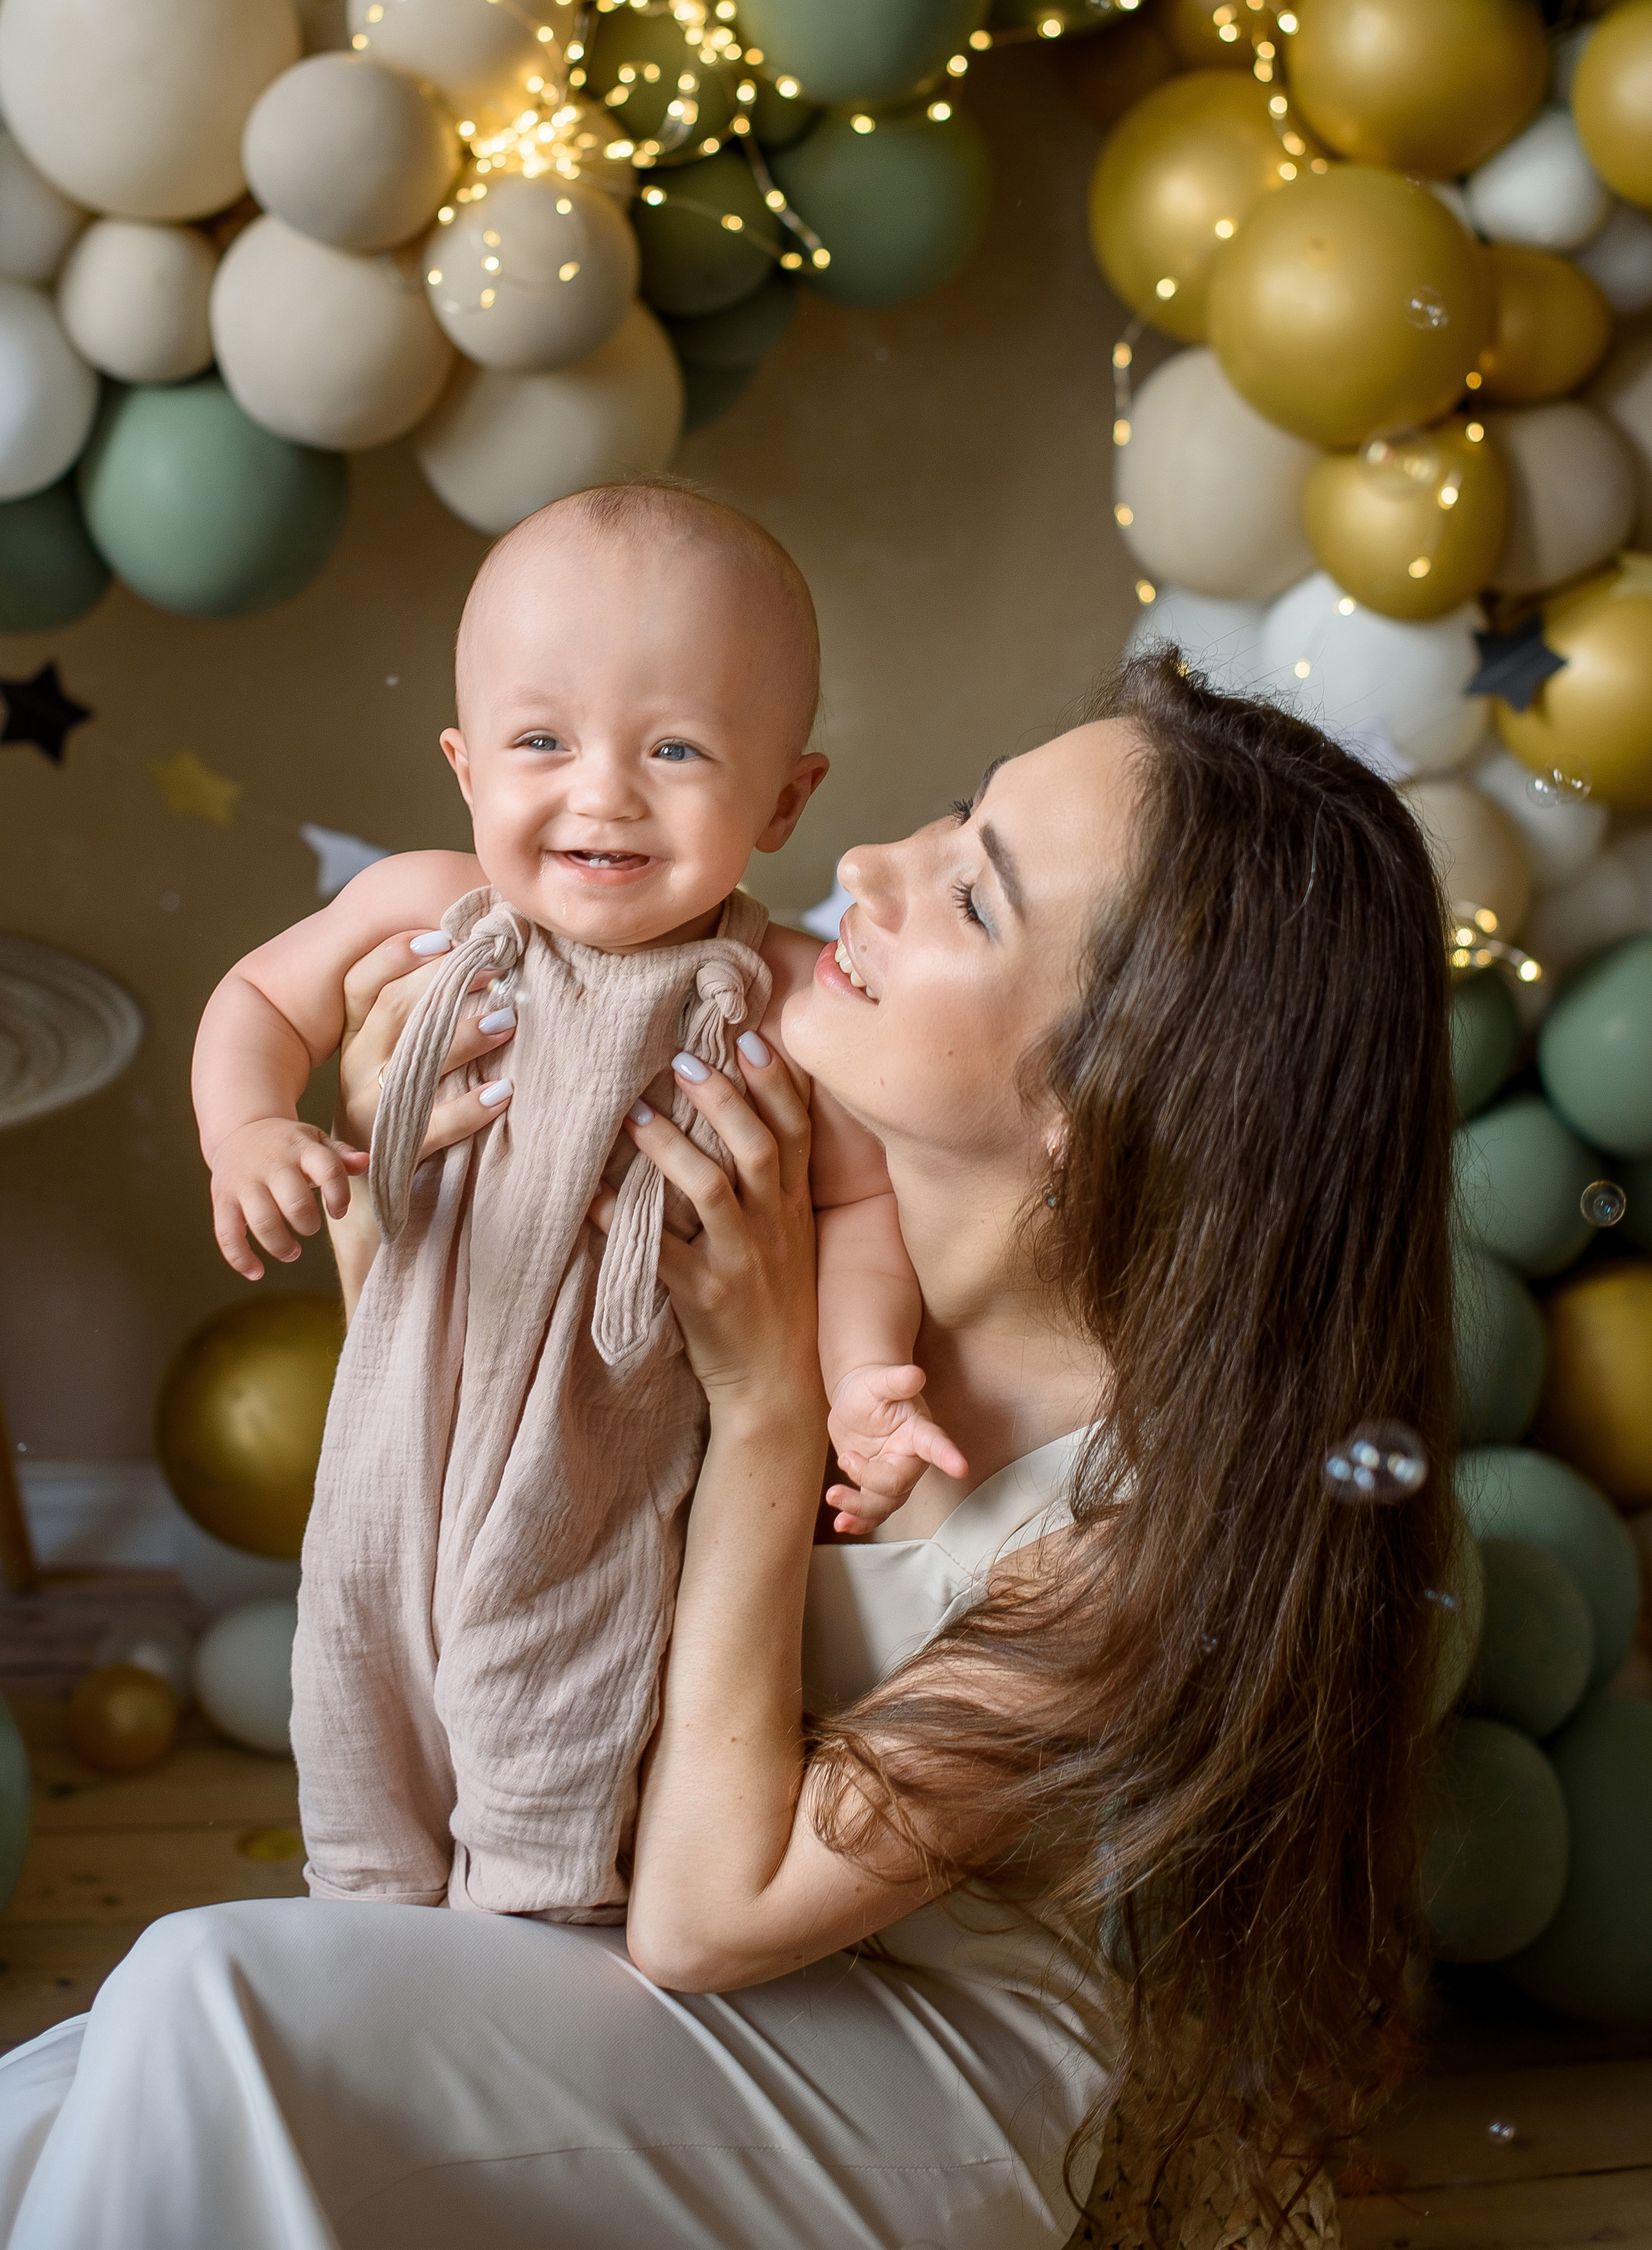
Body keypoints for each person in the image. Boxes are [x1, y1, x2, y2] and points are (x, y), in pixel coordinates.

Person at [0, 656, 1456, 2249]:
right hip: (580, 1913)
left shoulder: (1139, 1534)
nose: (867, 865)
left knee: (208, 2002)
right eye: (955, 814)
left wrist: (766, 1408)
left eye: (974, 898)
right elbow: (453, 1501)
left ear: (1106, 1101)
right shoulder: (784, 1200)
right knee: (56, 2101)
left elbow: (710, 1921)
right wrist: (405, 1213)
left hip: (903, 2073)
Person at [190, 480, 963, 1920]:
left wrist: (861, 1376)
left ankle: (524, 1945)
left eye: (674, 748)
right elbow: (256, 998)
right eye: (542, 741)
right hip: (396, 1419)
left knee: (553, 1714)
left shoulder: (784, 992)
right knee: (359, 1676)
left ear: (785, 796)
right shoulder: (426, 905)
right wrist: (248, 1128)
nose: (601, 790)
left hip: (599, 1450)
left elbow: (861, 1209)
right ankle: (367, 1926)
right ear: (468, 766)